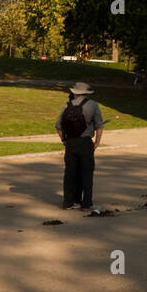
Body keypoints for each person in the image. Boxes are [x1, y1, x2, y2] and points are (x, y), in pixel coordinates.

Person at [56, 81, 105, 210]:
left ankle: (69, 202)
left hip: (70, 142)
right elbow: (99, 125)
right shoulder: (93, 105)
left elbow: (58, 126)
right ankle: (86, 203)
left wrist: (64, 141)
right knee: (87, 173)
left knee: (70, 173)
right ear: (86, 93)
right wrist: (97, 142)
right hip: (85, 142)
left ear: (74, 93)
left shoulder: (67, 106)